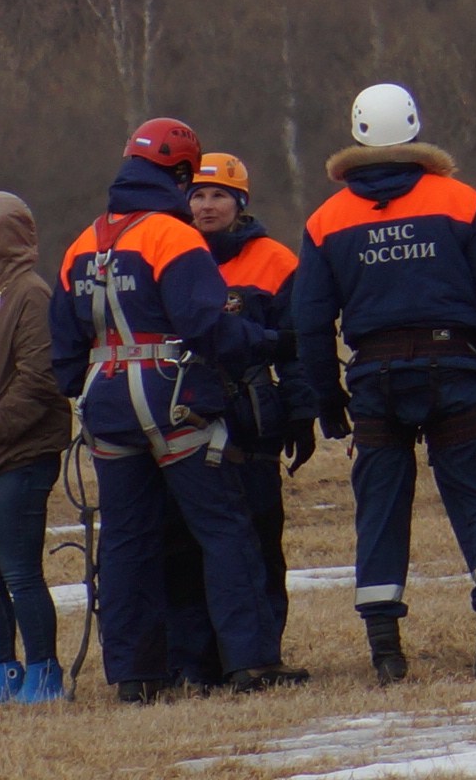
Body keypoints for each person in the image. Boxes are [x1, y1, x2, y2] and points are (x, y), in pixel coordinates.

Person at [48, 120, 302, 699]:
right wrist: (267, 343)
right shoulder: (172, 236)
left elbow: (62, 345)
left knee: (126, 541)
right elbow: (206, 325)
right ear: (183, 175)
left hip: (105, 403)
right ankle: (249, 661)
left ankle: (135, 676)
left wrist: (82, 384)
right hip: (172, 401)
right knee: (223, 529)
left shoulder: (83, 242)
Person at [288, 82, 476, 683]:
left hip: (375, 379)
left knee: (379, 510)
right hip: (457, 369)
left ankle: (386, 655)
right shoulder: (463, 202)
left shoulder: (326, 220)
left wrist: (328, 404)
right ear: (417, 127)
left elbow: (310, 322)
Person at [166, 153, 305, 681]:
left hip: (252, 427)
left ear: (240, 203)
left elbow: (294, 346)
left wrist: (301, 412)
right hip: (183, 421)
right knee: (185, 545)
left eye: (218, 196)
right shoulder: (172, 253)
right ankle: (195, 662)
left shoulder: (275, 260)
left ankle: (259, 649)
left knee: (260, 541)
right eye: (197, 196)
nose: (205, 206)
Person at [1, 189, 72, 704]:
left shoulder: (31, 293)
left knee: (20, 568)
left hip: (25, 454)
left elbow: (40, 379)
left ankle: (43, 673)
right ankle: (5, 671)